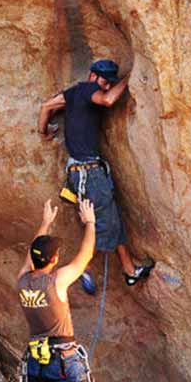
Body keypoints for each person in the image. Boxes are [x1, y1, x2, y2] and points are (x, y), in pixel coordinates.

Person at [10, 199, 114, 382]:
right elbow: (85, 256)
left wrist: (44, 223)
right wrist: (90, 222)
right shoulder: (56, 281)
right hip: (65, 359)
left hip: (37, 358)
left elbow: (29, 258)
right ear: (54, 260)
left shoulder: (23, 280)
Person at [38, 59, 154, 286]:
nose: (107, 87)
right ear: (93, 76)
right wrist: (129, 78)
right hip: (89, 173)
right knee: (104, 225)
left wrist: (44, 130)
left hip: (84, 173)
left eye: (110, 82)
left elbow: (46, 107)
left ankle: (130, 270)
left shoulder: (73, 93)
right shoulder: (89, 89)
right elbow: (109, 100)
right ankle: (84, 268)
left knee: (113, 219)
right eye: (105, 81)